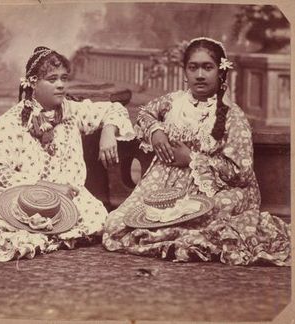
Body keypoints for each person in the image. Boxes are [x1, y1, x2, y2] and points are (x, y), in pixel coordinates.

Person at [0, 46, 135, 262]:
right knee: (7, 231)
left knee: (95, 215)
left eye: (64, 78)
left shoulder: (71, 111)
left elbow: (113, 109)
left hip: (66, 199)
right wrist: (47, 187)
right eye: (52, 79)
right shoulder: (10, 123)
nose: (60, 85)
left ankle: (52, 230)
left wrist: (108, 131)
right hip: (18, 196)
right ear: (32, 83)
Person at [103, 37, 291, 266]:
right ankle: (171, 233)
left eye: (207, 67)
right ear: (185, 71)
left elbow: (240, 172)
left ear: (220, 72)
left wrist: (192, 159)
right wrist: (156, 132)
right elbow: (144, 114)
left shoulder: (233, 115)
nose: (199, 75)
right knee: (117, 223)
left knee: (207, 213)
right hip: (165, 183)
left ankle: (181, 236)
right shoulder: (173, 102)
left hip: (216, 188)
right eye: (193, 67)